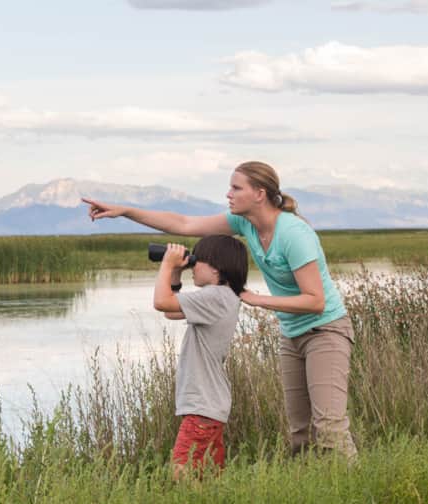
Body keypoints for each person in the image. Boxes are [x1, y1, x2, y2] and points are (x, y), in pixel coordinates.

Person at [83, 161, 357, 458]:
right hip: (291, 333)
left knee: (329, 428)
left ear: (259, 194)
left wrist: (258, 299)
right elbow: (183, 224)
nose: (228, 194)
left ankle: (358, 498)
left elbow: (315, 301)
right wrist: (125, 211)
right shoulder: (245, 224)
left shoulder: (293, 234)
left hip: (325, 329)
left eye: (236, 188)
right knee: (300, 433)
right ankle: (316, 498)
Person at [153, 235, 248, 479]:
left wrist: (167, 263)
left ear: (217, 267)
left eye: (197, 261)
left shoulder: (216, 295)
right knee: (206, 477)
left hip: (203, 406)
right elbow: (171, 313)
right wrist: (176, 273)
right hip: (209, 404)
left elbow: (161, 303)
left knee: (181, 471)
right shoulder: (222, 296)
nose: (192, 266)